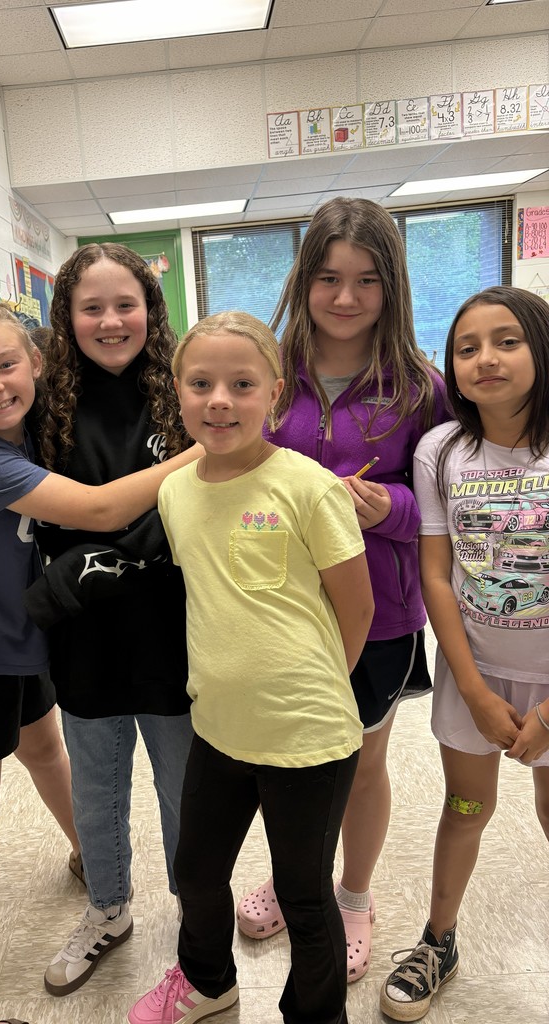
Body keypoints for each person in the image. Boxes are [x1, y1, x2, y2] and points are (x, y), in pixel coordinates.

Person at [0, 303, 198, 1024]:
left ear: (37, 363)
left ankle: (87, 863)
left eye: (7, 366)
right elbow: (100, 509)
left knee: (43, 751)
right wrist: (207, 449)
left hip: (22, 645)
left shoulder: (35, 428)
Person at [128, 311, 374, 1024]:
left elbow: (353, 610)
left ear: (275, 392)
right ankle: (209, 983)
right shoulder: (175, 491)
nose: (220, 401)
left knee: (302, 891)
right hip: (219, 728)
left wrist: (316, 687)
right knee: (197, 873)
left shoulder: (308, 487)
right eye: (201, 384)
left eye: (241, 384)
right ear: (177, 392)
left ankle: (316, 1013)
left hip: (308, 735)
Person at [236, 197, 449, 984]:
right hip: (278, 608)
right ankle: (298, 878)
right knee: (288, 762)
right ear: (304, 281)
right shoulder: (267, 370)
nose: (346, 298)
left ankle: (352, 896)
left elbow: (446, 498)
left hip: (382, 611)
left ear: (391, 286)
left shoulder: (422, 387)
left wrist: (386, 506)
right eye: (328, 278)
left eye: (365, 280)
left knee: (362, 761)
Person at [21, 243, 195, 996]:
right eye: (90, 307)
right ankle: (108, 906)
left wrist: (108, 554)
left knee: (186, 789)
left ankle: (200, 912)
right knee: (95, 788)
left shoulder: (183, 394)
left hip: (175, 632)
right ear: (66, 316)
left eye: (125, 303)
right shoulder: (41, 403)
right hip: (84, 637)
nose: (109, 320)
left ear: (150, 310)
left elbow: (203, 501)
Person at [380, 286, 549, 1021]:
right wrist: (476, 690)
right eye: (468, 347)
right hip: (473, 677)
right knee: (466, 806)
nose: (485, 359)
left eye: (507, 341)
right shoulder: (441, 450)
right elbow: (438, 574)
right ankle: (438, 939)